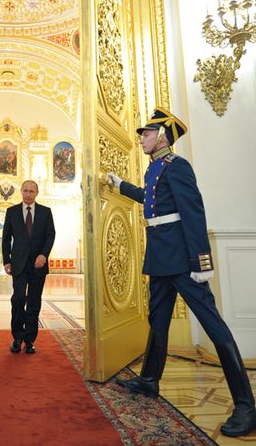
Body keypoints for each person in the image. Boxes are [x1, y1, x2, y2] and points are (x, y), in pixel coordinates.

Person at [107, 106, 256, 438]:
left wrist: (202, 263)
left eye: (145, 133)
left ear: (161, 135)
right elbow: (151, 199)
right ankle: (149, 380)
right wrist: (121, 186)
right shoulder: (155, 169)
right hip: (161, 258)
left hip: (182, 260)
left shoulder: (179, 166)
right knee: (157, 321)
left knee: (214, 327)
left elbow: (193, 212)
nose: (141, 138)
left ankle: (247, 406)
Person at [2, 180, 55, 354]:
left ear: (37, 193)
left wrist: (44, 255)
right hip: (18, 264)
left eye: (31, 191)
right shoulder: (12, 212)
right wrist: (6, 260)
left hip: (38, 264)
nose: (28, 194)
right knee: (18, 299)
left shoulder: (46, 212)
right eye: (25, 190)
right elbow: (6, 238)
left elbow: (50, 235)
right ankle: (17, 337)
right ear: (21, 192)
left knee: (34, 302)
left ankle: (30, 340)